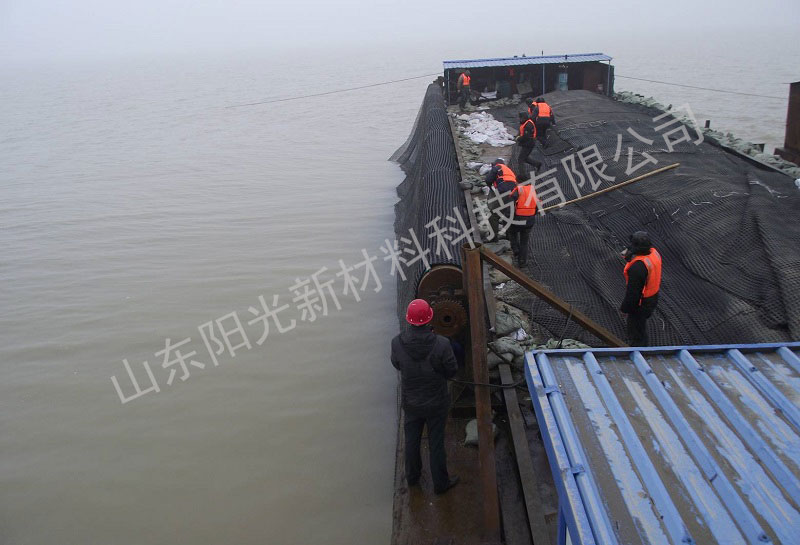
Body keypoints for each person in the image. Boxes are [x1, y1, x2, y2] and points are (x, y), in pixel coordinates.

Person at [391, 299, 460, 495]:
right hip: (437, 403)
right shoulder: (442, 344)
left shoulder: (397, 343)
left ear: (409, 320)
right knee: (436, 443)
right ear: (429, 318)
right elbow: (452, 370)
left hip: (411, 402)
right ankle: (441, 483)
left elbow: (397, 364)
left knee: (411, 440)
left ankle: (412, 477)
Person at [620, 231, 662, 346]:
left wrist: (625, 309)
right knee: (641, 324)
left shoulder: (637, 268)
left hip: (642, 303)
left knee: (636, 329)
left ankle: (639, 348)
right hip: (653, 296)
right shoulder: (654, 254)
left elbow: (633, 294)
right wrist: (631, 250)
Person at [506, 182, 538, 266]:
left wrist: (508, 218)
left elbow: (510, 207)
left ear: (518, 182)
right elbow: (537, 206)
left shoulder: (517, 191)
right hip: (529, 222)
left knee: (511, 232)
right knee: (524, 242)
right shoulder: (533, 190)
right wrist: (532, 215)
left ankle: (515, 248)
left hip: (517, 220)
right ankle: (522, 262)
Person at [515, 112, 541, 180]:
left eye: (521, 118)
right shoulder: (525, 123)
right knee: (525, 158)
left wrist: (518, 138)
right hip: (528, 143)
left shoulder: (528, 125)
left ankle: (523, 176)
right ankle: (537, 164)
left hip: (529, 144)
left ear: (524, 118)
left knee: (520, 160)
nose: (520, 119)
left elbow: (526, 137)